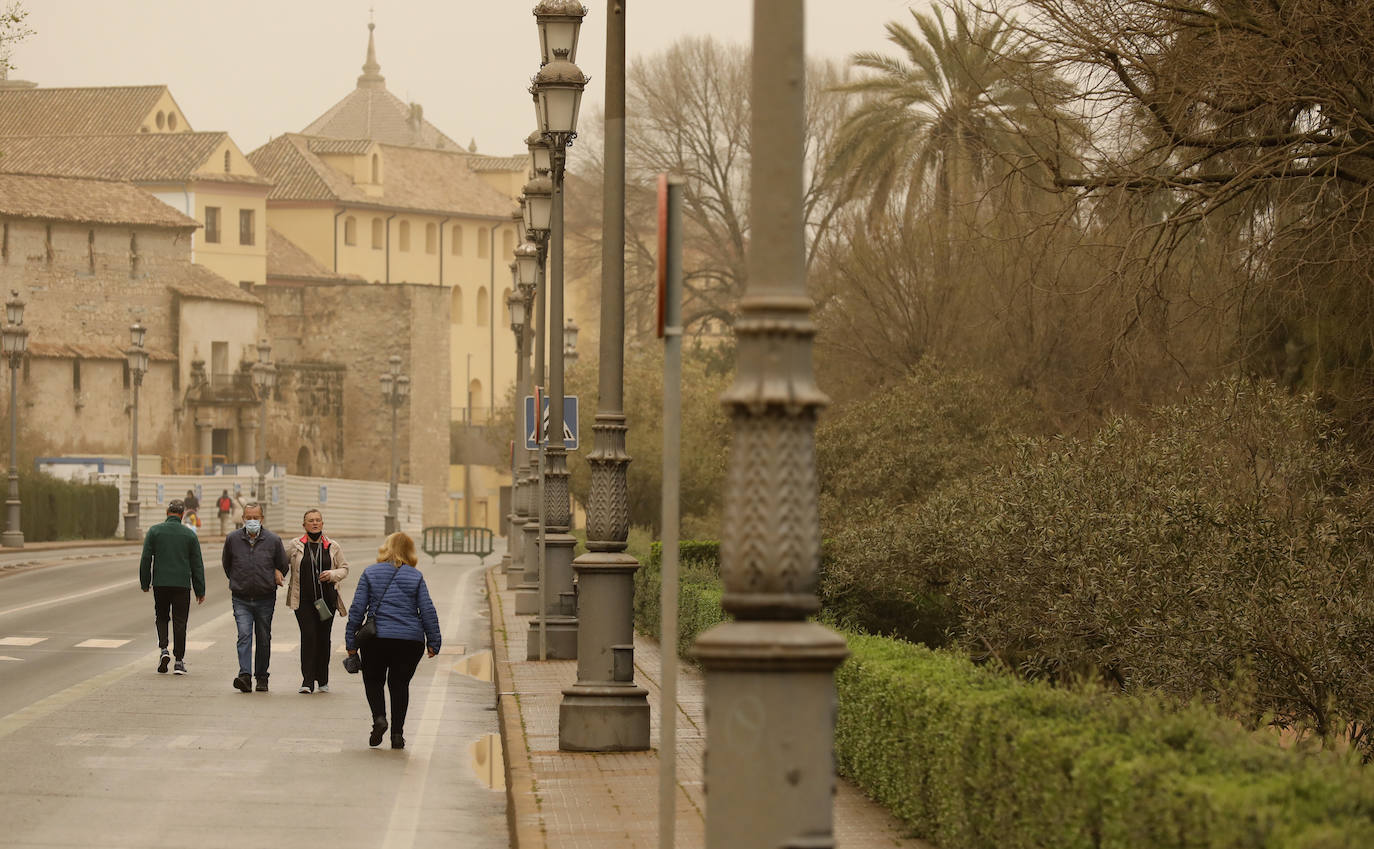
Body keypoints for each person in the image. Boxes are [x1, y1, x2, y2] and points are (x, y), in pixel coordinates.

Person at [344, 532, 441, 749]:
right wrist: (433, 641)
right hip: (409, 640)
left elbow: (357, 610)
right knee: (399, 685)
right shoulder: (415, 576)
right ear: (410, 551)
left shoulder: (370, 572)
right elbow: (427, 610)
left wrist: (351, 643)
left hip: (376, 639)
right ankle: (397, 735)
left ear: (385, 548)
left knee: (374, 680)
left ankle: (379, 718)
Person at [221, 501, 288, 693]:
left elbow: (283, 565)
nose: (252, 521)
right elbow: (227, 564)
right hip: (241, 597)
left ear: (262, 519)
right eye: (248, 518)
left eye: (255, 518)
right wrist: (238, 580)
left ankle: (262, 677)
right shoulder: (233, 539)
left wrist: (275, 572)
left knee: (263, 637)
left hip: (265, 597)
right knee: (244, 635)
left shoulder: (273, 540)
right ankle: (245, 676)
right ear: (243, 519)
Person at [286, 508, 350, 694]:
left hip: (326, 601)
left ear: (322, 523)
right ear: (304, 525)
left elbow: (345, 568)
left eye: (318, 520)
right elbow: (282, 562)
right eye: (310, 520)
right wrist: (277, 572)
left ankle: (322, 679)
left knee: (323, 639)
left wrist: (333, 574)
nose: (314, 523)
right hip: (303, 601)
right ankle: (307, 681)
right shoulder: (295, 545)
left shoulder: (332, 546)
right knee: (309, 637)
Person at [138, 499, 206, 676]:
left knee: (161, 617)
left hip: (160, 583)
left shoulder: (154, 531)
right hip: (182, 585)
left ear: (167, 513)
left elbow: (146, 559)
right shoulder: (189, 535)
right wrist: (200, 590)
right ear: (182, 515)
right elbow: (197, 564)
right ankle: (179, 661)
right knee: (180, 621)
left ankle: (163, 649)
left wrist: (145, 582)